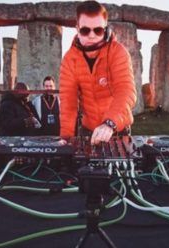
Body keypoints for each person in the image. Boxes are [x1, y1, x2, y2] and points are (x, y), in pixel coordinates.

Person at [59, 0, 136, 144]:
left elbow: (126, 91)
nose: (92, 35)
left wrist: (109, 123)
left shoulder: (118, 52)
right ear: (77, 29)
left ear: (105, 29)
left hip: (117, 128)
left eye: (98, 30)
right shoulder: (69, 60)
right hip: (89, 130)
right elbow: (68, 104)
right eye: (85, 30)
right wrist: (66, 140)